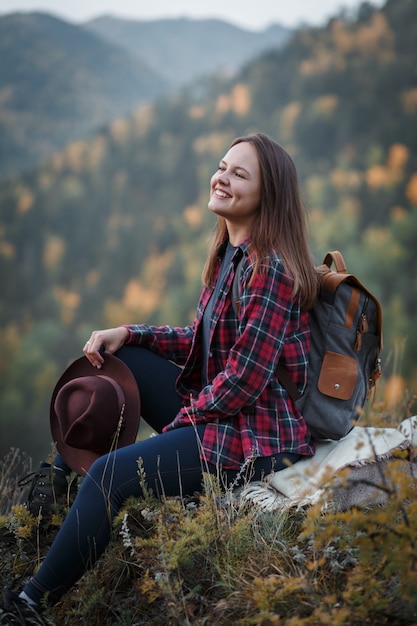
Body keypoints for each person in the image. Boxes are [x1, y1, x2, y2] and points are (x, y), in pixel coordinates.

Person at [1, 132, 318, 624]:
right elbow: (199, 341)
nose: (222, 178)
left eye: (240, 174)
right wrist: (129, 332)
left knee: (113, 476)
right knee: (123, 359)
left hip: (255, 436)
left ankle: (29, 605)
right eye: (221, 166)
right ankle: (56, 495)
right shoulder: (229, 255)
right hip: (226, 415)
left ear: (268, 194)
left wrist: (180, 427)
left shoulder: (270, 267)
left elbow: (243, 380)